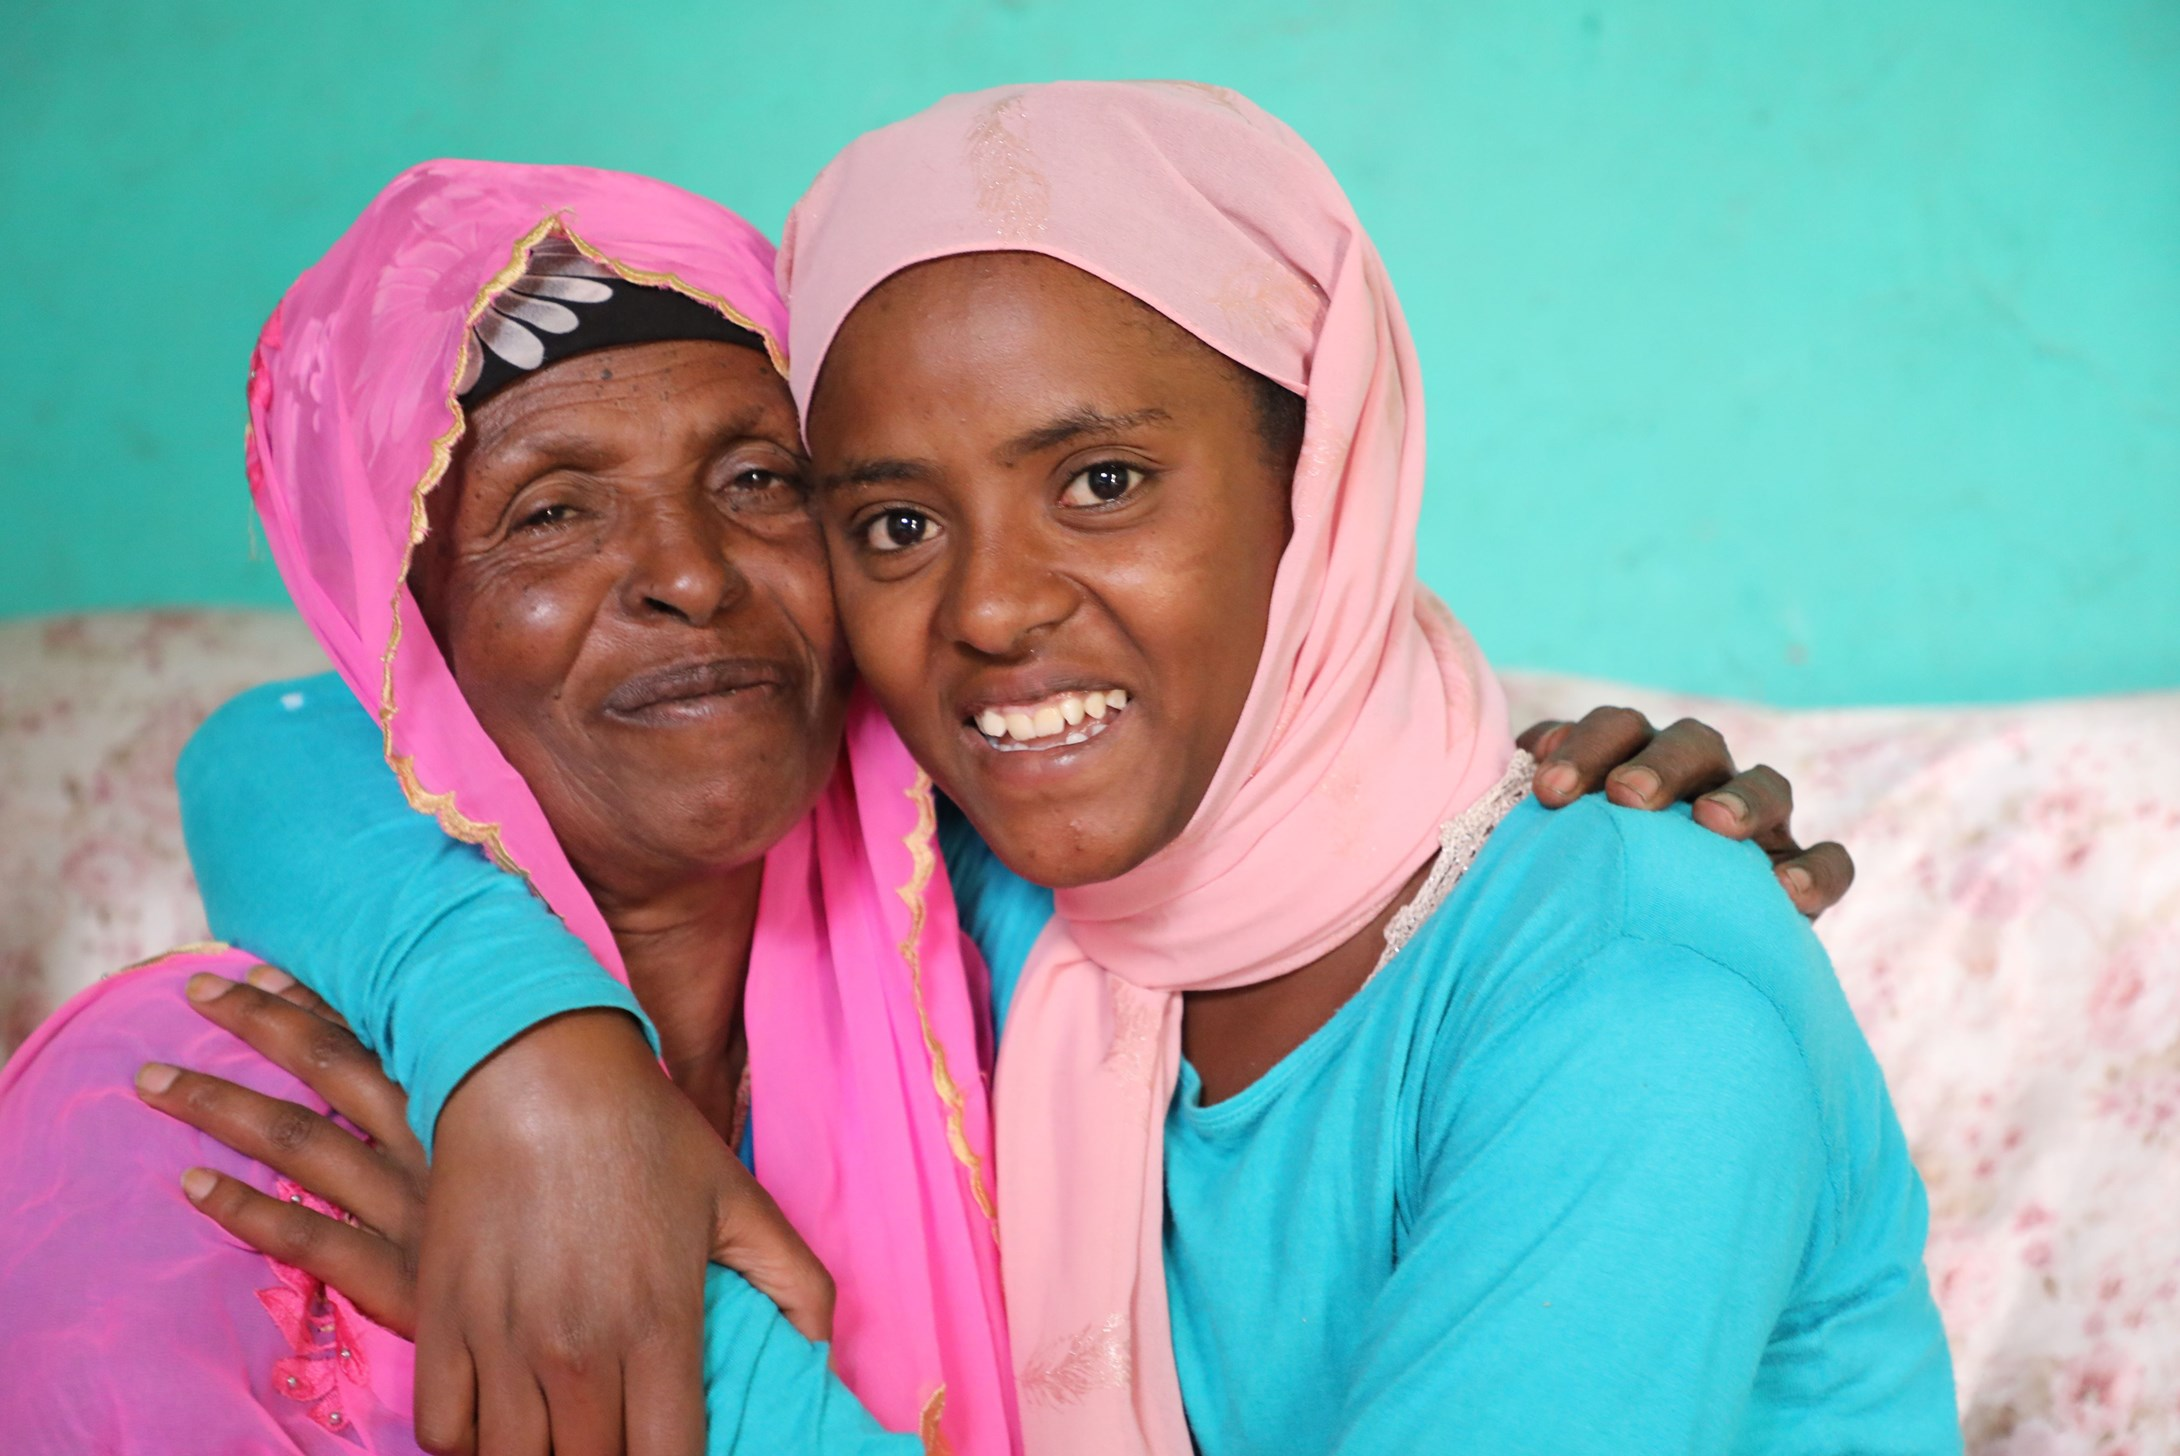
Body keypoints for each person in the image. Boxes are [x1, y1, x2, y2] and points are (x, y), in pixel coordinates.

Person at [164, 85, 1942, 1455]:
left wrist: (678, 1345)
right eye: (891, 518)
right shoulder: (1002, 878)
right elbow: (298, 741)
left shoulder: (1635, 1011)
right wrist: (540, 1068)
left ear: (1321, 489)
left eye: (1102, 482)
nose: (995, 609)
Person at [0, 160, 1013, 1454]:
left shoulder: (1007, 1000)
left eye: (758, 479)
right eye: (552, 511)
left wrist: (662, 1300)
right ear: (401, 625)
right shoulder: (182, 1121)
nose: (691, 577)